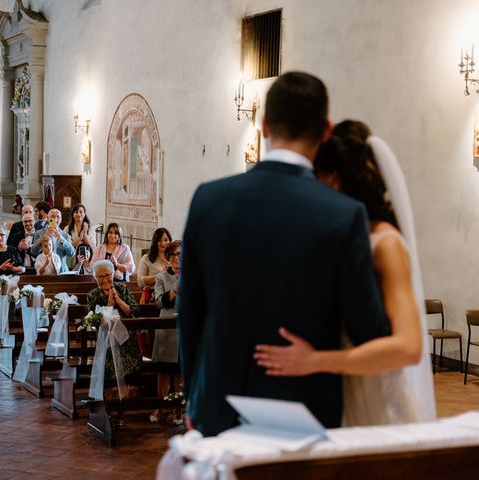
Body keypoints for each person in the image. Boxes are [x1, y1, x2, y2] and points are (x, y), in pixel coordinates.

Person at [178, 71, 389, 436]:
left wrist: (193, 395)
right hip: (304, 410)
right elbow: (368, 331)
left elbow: (190, 311)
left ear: (263, 127)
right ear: (326, 131)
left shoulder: (208, 199)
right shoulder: (343, 215)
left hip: (217, 403)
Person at [253, 120, 436, 425]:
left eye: (315, 175)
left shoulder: (385, 243)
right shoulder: (336, 237)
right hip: (327, 393)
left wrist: (315, 361)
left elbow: (408, 347)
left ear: (333, 178)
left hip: (372, 397)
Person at [88, 260, 142, 396]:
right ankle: (108, 406)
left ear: (113, 274)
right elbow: (94, 321)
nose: (105, 279)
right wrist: (109, 305)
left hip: (126, 340)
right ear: (95, 277)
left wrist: (118, 301)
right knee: (107, 376)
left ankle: (123, 406)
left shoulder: (122, 289)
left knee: (127, 374)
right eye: (100, 276)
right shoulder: (93, 295)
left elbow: (135, 312)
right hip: (105, 342)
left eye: (107, 275)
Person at [150, 240, 182, 424]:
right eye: (173, 255)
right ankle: (159, 406)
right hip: (167, 330)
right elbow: (159, 302)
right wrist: (175, 291)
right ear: (168, 258)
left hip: (183, 329)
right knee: (164, 373)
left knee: (179, 374)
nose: (177, 258)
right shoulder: (161, 277)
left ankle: (177, 409)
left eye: (180, 255)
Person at [63, 203, 96, 268]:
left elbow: (92, 247)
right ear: (73, 215)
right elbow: (66, 246)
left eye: (81, 212)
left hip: (86, 260)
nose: (78, 214)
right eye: (76, 212)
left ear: (84, 214)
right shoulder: (67, 228)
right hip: (71, 259)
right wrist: (80, 238)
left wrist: (85, 234)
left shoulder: (90, 228)